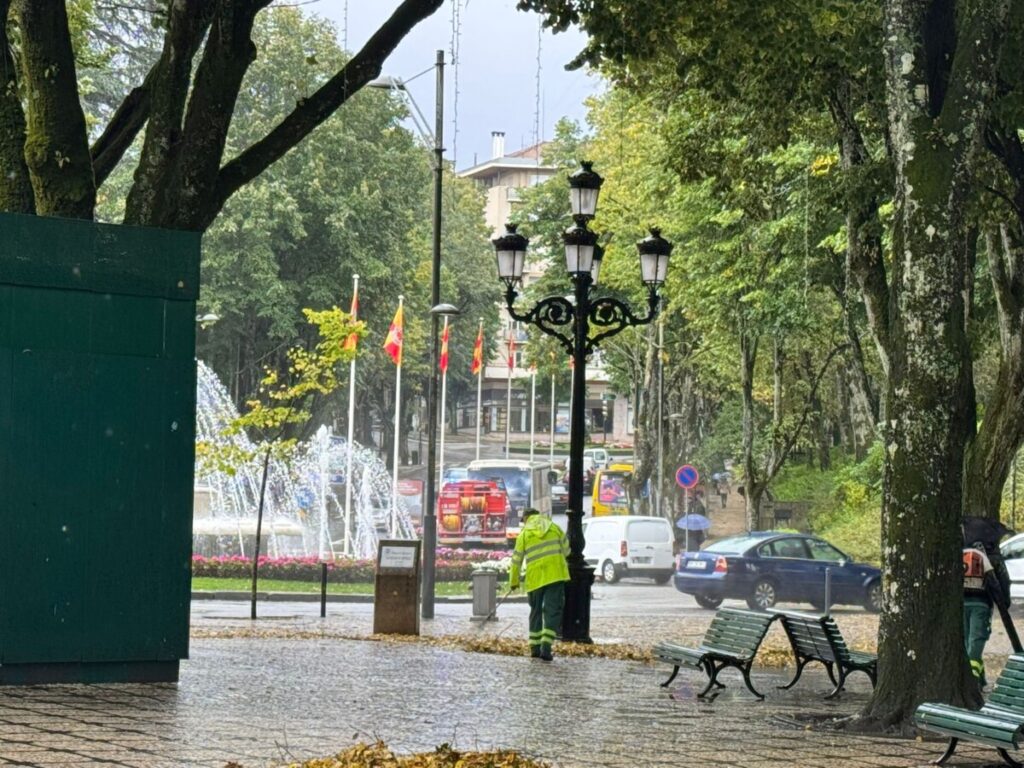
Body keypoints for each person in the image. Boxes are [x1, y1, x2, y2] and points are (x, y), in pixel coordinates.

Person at [509, 508, 569, 662]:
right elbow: (567, 550)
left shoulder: (524, 534)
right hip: (555, 575)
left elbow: (516, 561)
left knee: (535, 611)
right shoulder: (554, 528)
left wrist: (514, 582)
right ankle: (546, 646)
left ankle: (535, 648)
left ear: (526, 519)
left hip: (535, 578)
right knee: (552, 611)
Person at [962, 517, 1014, 687]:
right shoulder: (989, 556)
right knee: (976, 643)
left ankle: (980, 680)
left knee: (967, 642)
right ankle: (973, 682)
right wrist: (1004, 603)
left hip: (962, 605)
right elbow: (1002, 582)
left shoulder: (959, 553)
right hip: (981, 605)